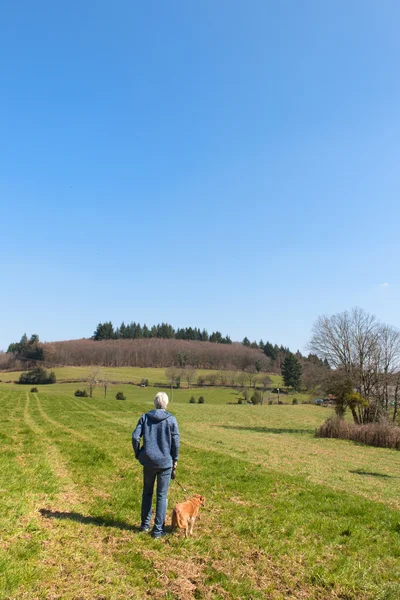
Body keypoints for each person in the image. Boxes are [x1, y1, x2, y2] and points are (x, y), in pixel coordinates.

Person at [132, 391, 180, 538]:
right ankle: (158, 530)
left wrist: (138, 453)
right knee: (161, 496)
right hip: (165, 463)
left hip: (148, 461)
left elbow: (135, 436)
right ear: (166, 404)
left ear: (155, 402)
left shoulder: (145, 417)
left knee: (147, 493)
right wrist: (175, 459)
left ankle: (145, 525)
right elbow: (176, 443)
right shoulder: (171, 420)